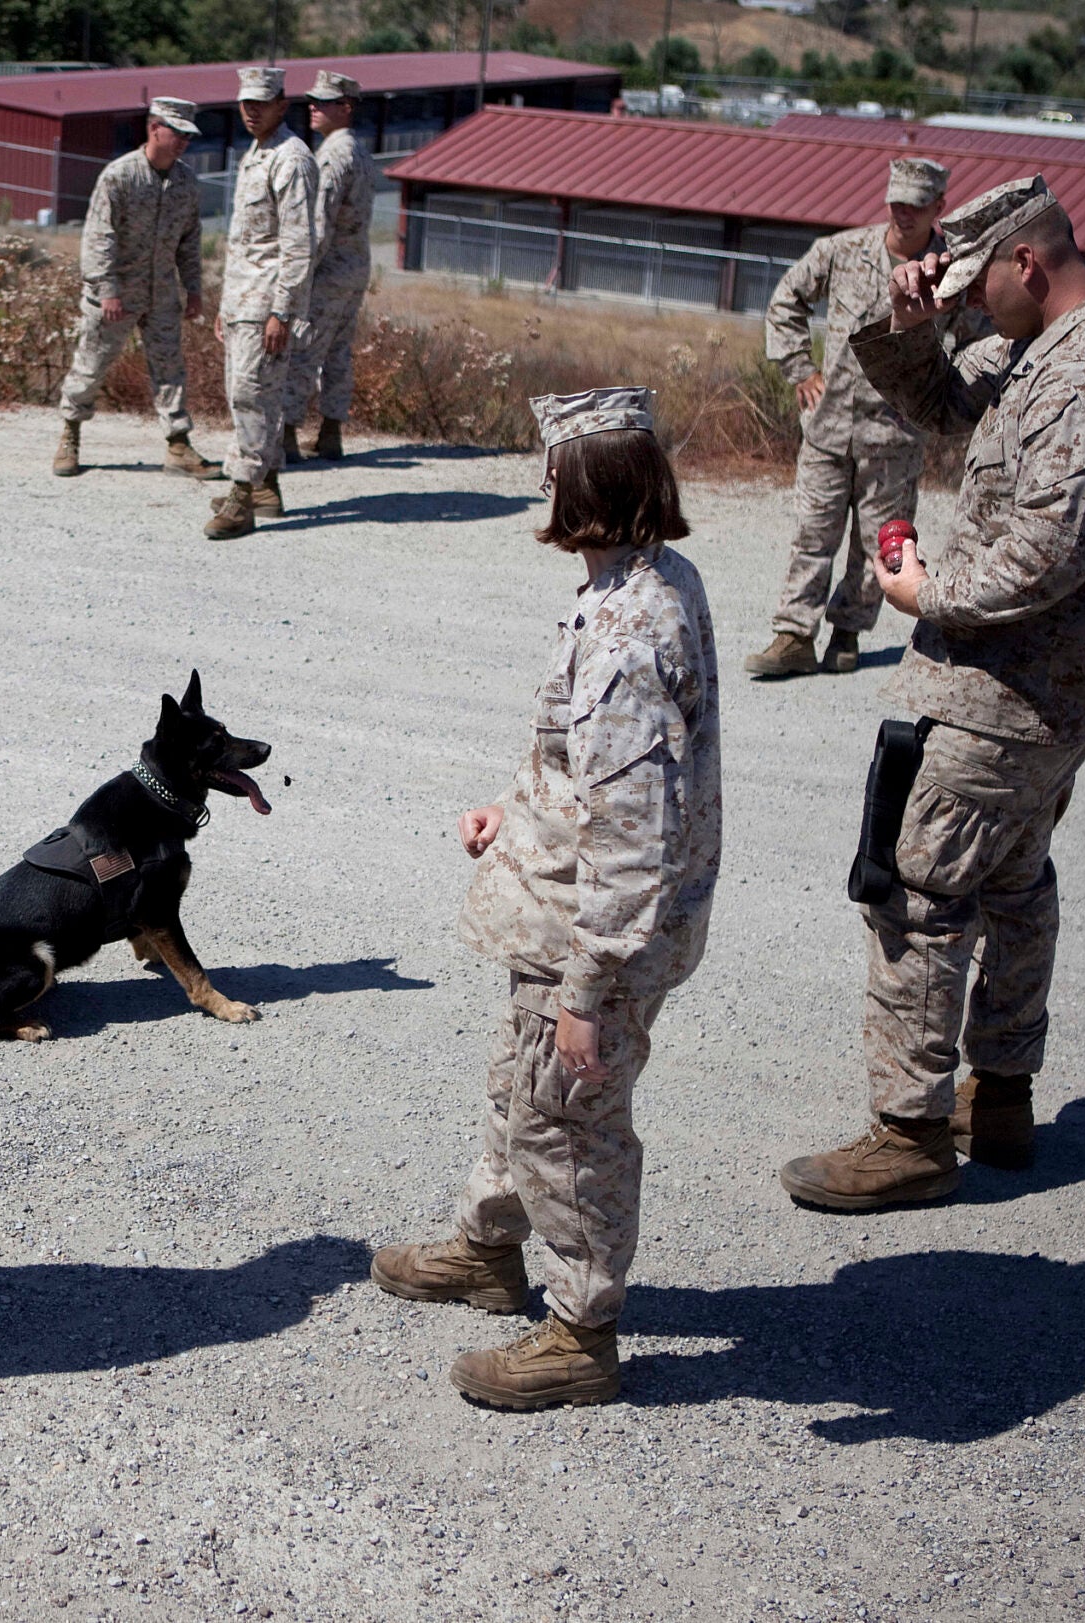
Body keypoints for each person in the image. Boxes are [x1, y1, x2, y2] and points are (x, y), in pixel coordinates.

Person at [779, 177, 1085, 1210]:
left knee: (918, 886)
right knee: (1010, 882)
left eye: (982, 283)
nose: (977, 306)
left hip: (1012, 684)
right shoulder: (1045, 348)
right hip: (1038, 687)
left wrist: (918, 592)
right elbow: (944, 405)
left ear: (1028, 264)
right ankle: (997, 1101)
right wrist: (915, 323)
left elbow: (1047, 555)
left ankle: (905, 1134)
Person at [373, 388, 723, 1409]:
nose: (540, 486)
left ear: (576, 486)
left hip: (595, 932)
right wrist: (511, 811)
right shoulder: (646, 578)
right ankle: (488, 1250)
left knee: (566, 1121)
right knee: (519, 1084)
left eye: (548, 470)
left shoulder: (623, 634)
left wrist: (590, 988)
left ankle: (580, 1330)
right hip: (565, 904)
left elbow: (635, 833)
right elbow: (592, 775)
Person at [746, 158, 985, 681]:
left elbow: (974, 344)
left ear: (938, 208)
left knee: (879, 541)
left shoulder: (951, 273)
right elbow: (787, 297)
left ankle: (848, 632)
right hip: (828, 427)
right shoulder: (842, 251)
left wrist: (944, 401)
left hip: (895, 435)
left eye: (916, 205)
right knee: (813, 531)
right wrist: (798, 368)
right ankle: (793, 636)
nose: (903, 213)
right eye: (896, 201)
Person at [54, 97, 224, 482]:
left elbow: (189, 240)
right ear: (154, 128)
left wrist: (194, 289)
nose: (182, 142)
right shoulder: (120, 176)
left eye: (187, 135)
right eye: (176, 132)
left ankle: (178, 446)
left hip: (162, 293)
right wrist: (108, 289)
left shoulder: (185, 181)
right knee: (92, 364)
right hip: (115, 294)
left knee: (170, 369)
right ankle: (70, 433)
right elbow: (99, 237)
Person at [204, 65, 318, 541]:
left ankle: (240, 497)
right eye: (245, 103)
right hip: (242, 303)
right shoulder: (256, 153)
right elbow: (247, 244)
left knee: (251, 397)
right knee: (248, 396)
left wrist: (282, 311)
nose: (250, 111)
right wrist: (226, 307)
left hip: (267, 305)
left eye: (260, 103)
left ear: (281, 106)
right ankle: (265, 485)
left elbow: (297, 245)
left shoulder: (291, 159)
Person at [280, 71, 378, 466]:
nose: (313, 108)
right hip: (353, 270)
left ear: (347, 107)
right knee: (338, 353)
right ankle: (330, 432)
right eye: (312, 101)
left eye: (323, 102)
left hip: (327, 272)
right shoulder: (360, 151)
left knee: (303, 351)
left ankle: (285, 435)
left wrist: (296, 279)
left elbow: (318, 225)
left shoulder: (332, 157)